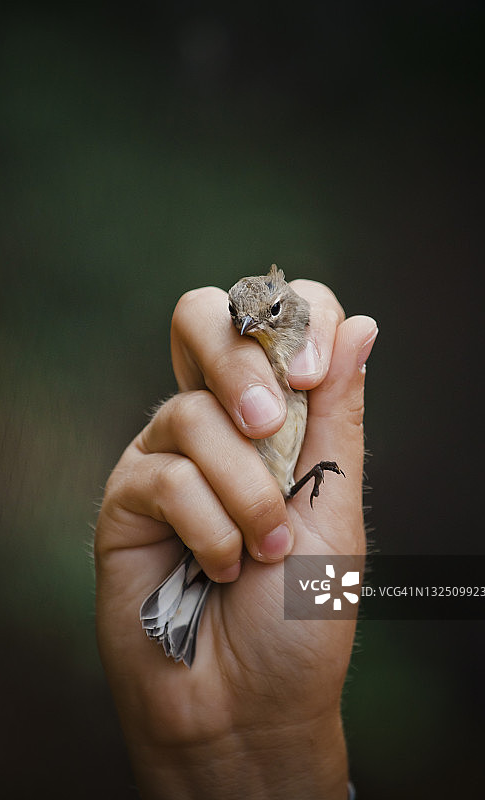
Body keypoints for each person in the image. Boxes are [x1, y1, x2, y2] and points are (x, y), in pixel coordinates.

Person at [94, 275, 378, 799]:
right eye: (237, 316)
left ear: (284, 309)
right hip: (237, 513)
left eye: (267, 313)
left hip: (277, 508)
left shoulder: (304, 357)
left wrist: (281, 741)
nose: (249, 326)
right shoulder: (248, 359)